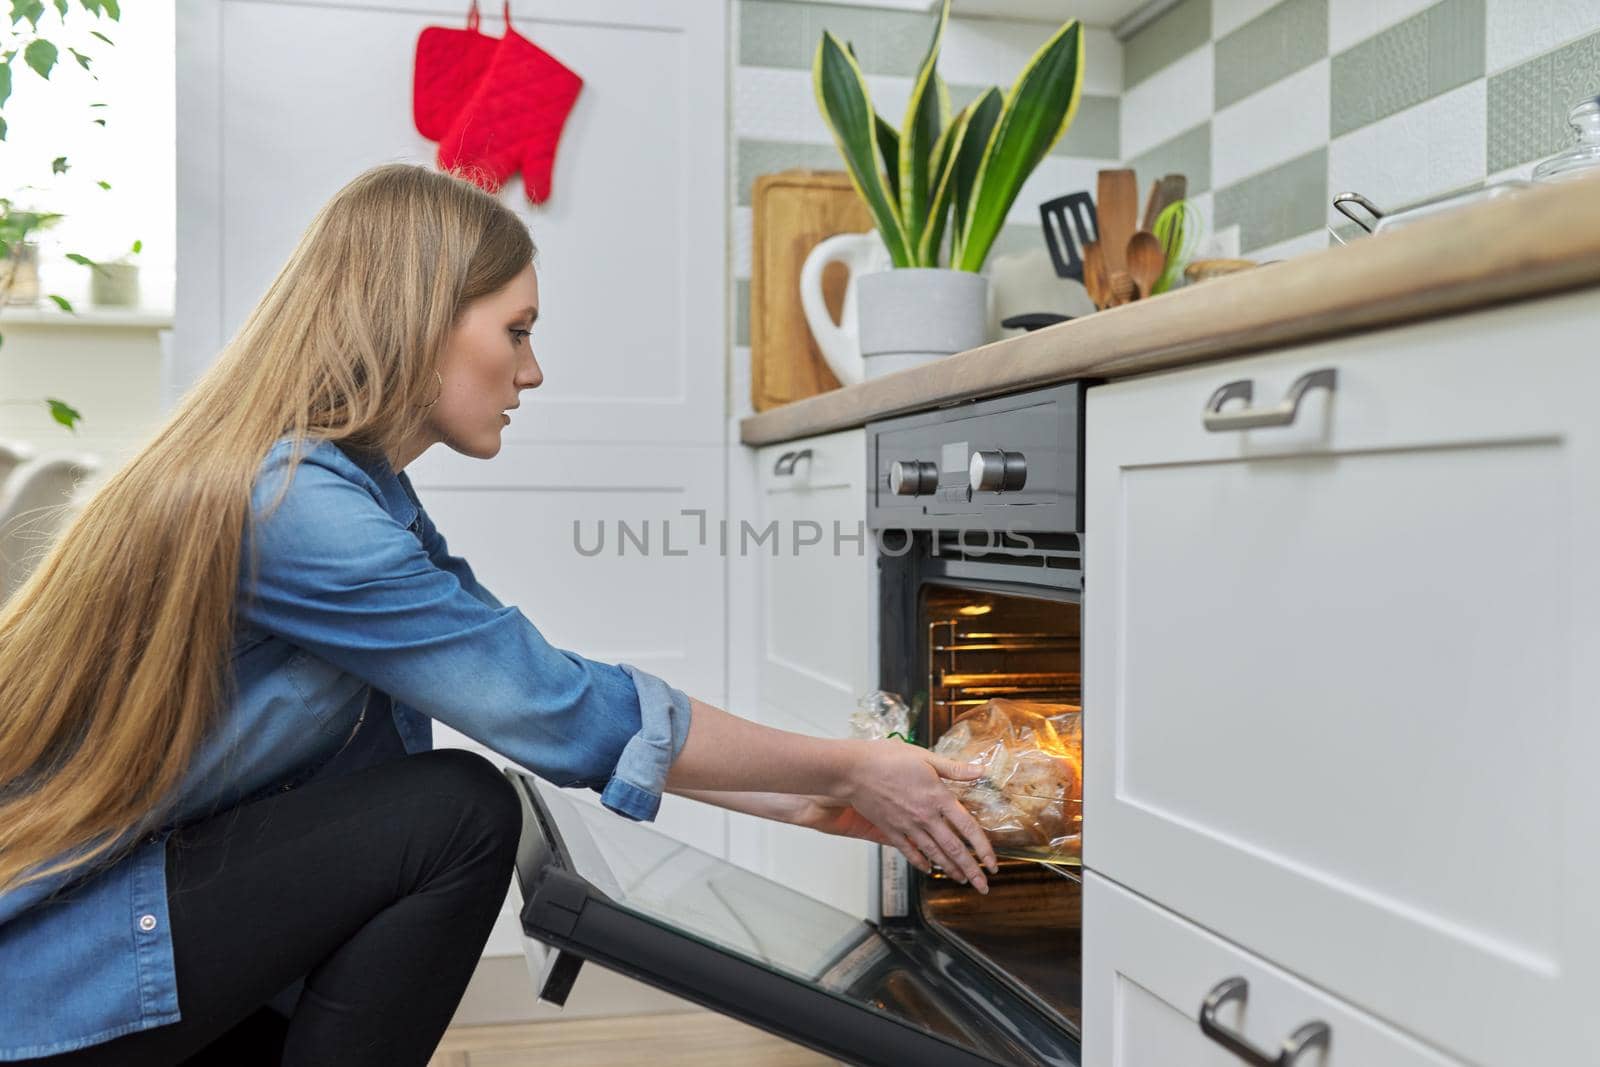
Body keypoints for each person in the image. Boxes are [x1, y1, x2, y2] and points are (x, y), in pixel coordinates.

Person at [0, 163, 997, 1066]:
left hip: (131, 918)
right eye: (515, 330)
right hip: (56, 972)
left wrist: (822, 798)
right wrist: (843, 767)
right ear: (417, 318)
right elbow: (553, 705)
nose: (532, 370)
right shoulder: (293, 505)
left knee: (435, 809)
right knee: (455, 813)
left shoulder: (349, 486)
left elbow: (528, 675)